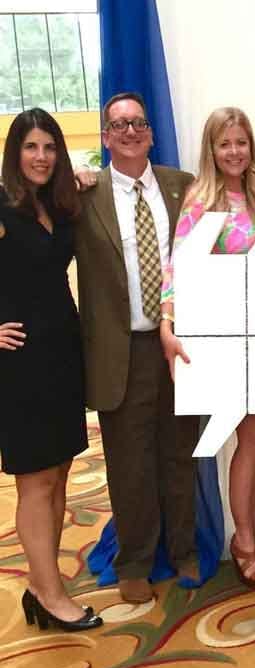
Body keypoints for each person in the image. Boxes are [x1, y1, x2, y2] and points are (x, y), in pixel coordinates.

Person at [74, 93, 200, 603]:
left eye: (138, 123)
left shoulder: (182, 186)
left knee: (179, 456)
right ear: (106, 136)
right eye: (119, 125)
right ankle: (135, 561)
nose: (130, 131)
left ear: (150, 133)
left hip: (177, 347)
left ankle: (186, 550)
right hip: (118, 352)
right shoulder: (85, 194)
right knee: (129, 465)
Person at [159, 107, 255, 586]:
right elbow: (175, 270)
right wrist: (168, 323)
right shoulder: (199, 202)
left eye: (241, 142)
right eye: (225, 143)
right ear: (211, 150)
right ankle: (243, 540)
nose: (234, 152)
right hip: (225, 337)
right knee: (247, 439)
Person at [0, 109, 102, 631]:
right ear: (14, 153)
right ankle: (50, 592)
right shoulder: (1, 205)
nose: (41, 157)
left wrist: (83, 178)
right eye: (31, 147)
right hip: (19, 363)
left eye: (49, 147)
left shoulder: (58, 205)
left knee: (59, 473)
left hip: (62, 353)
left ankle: (44, 586)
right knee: (34, 481)